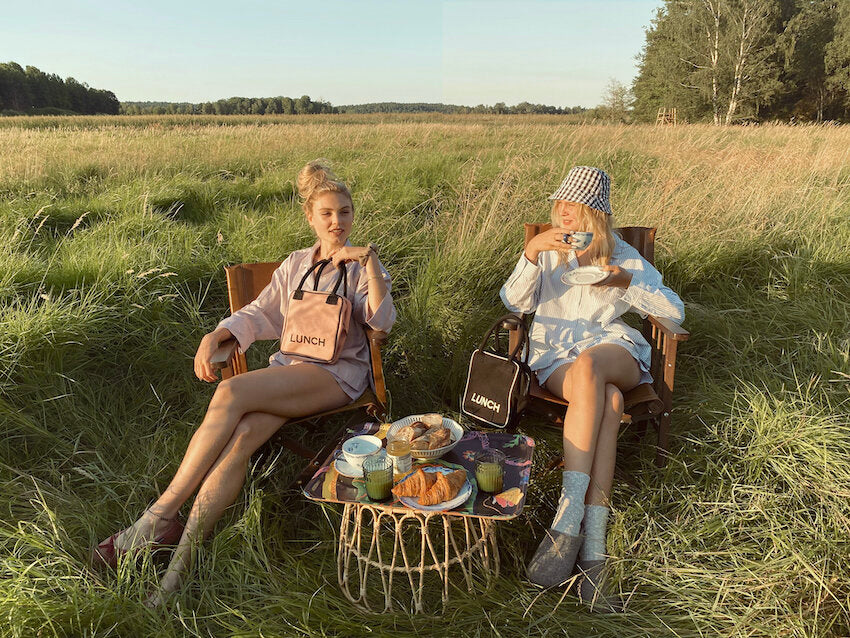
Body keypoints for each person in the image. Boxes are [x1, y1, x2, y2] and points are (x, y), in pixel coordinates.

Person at [91, 160, 396, 604]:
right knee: (242, 437)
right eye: (327, 213)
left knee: (231, 390)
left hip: (337, 376)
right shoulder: (295, 264)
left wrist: (368, 264)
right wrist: (219, 332)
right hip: (288, 371)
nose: (337, 222)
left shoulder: (363, 265)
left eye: (345, 212)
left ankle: (157, 518)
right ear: (310, 217)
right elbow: (261, 314)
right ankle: (176, 571)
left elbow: (381, 324)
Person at [499, 166, 684, 611]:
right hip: (556, 356)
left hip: (612, 350)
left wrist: (627, 282)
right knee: (610, 399)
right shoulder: (546, 252)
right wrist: (529, 253)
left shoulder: (620, 254)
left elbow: (675, 312)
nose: (563, 211)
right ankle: (594, 549)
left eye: (575, 204)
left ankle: (568, 515)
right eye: (560, 202)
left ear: (595, 214)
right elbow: (514, 304)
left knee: (594, 365)